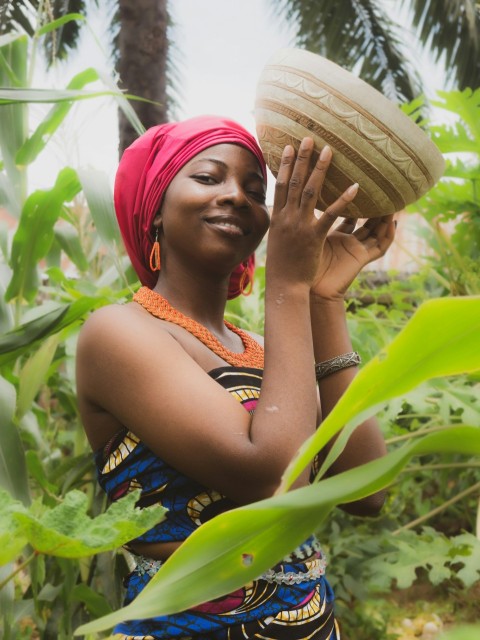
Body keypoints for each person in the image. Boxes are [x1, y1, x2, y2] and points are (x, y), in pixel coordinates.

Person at [76, 114, 396, 639]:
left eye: (255, 189)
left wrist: (322, 299)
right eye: (208, 177)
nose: (238, 197)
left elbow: (368, 492)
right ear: (154, 209)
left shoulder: (271, 351)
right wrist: (289, 285)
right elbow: (266, 475)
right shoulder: (117, 333)